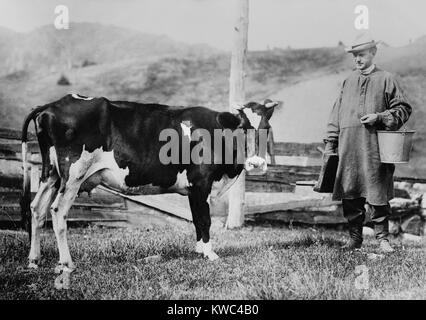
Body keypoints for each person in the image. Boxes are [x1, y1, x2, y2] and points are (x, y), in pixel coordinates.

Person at [324, 33, 412, 252]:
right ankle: (355, 238)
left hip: (374, 146)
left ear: (373, 53)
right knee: (350, 191)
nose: (358, 59)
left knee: (377, 190)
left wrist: (380, 117)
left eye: (361, 54)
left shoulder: (386, 79)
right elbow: (335, 115)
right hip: (349, 147)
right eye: (355, 56)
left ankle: (382, 239)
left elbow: (403, 109)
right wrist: (331, 143)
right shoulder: (348, 80)